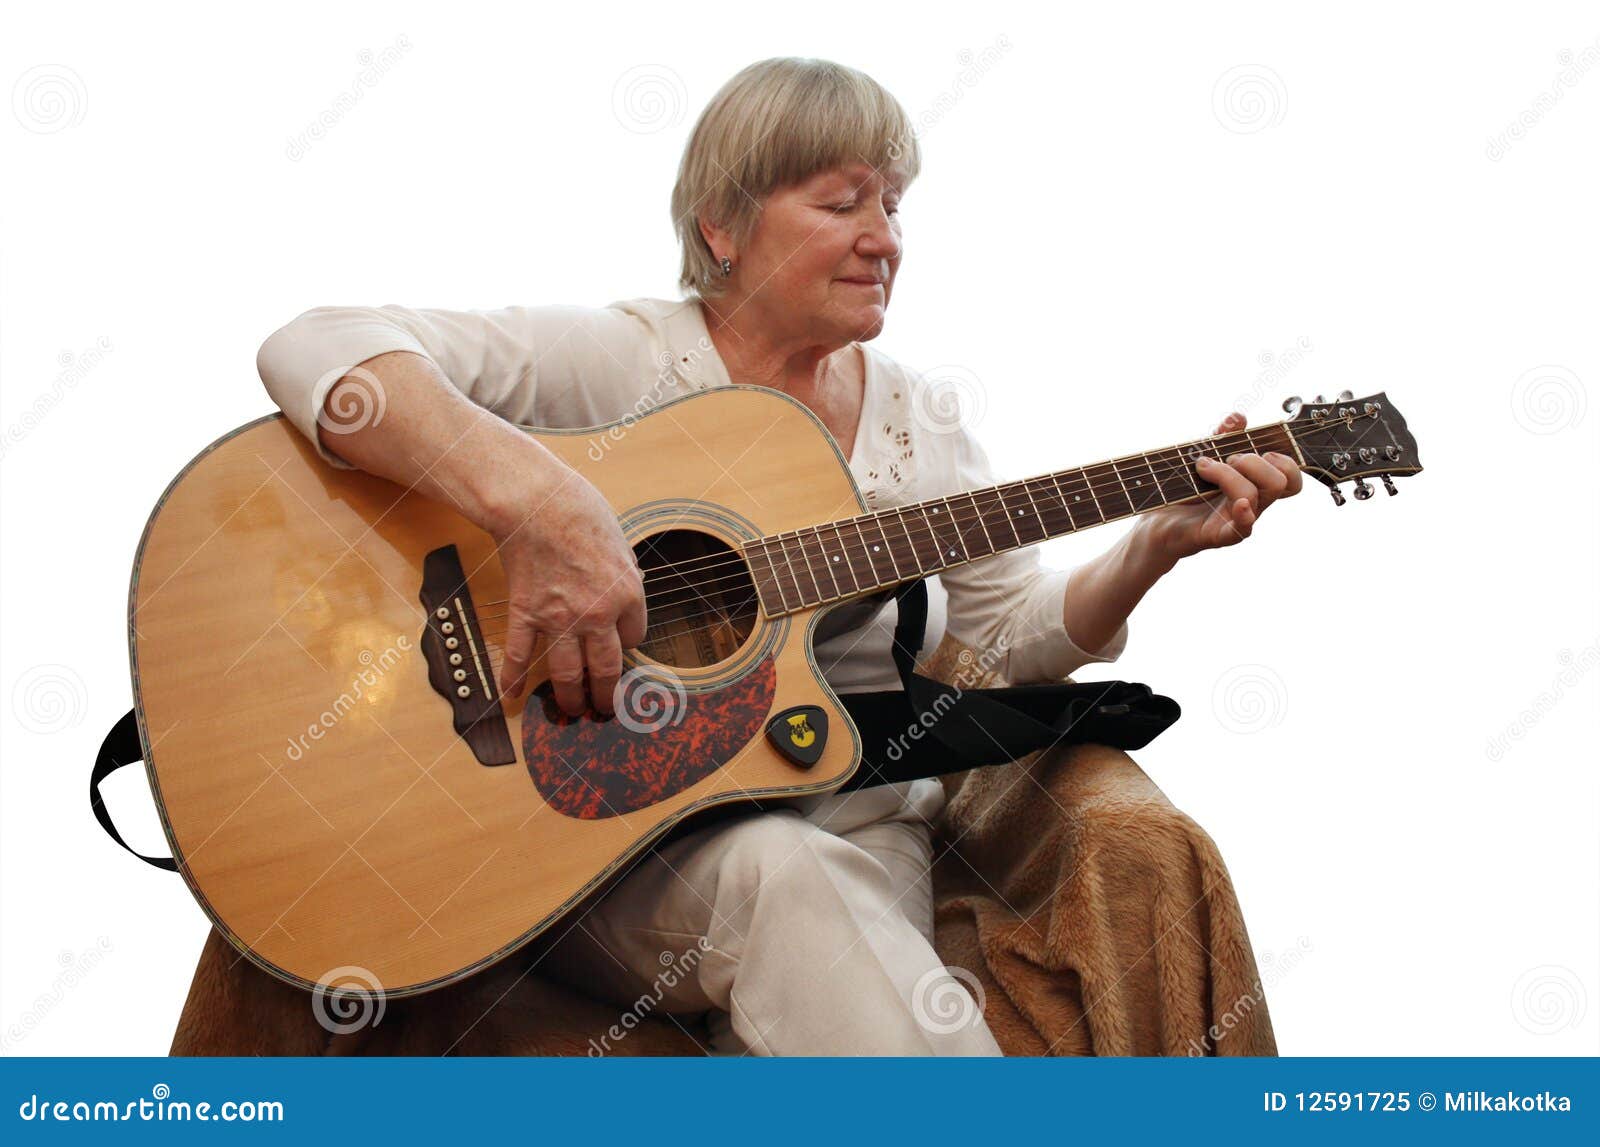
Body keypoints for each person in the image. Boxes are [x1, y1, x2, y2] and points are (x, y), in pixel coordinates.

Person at [255, 57, 1302, 1056]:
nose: (882, 238)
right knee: (780, 876)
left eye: (892, 206)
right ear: (724, 224)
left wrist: (1154, 544)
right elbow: (318, 345)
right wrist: (540, 505)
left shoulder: (917, 424)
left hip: (855, 817)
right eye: (841, 203)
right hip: (591, 843)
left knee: (809, 875)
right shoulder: (630, 362)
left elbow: (1005, 637)